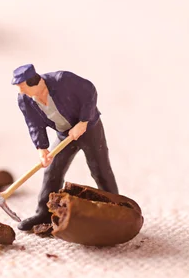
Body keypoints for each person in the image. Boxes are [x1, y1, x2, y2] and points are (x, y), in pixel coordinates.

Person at [12, 64, 119, 230]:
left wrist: (83, 121)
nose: (21, 92)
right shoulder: (25, 100)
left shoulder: (62, 80)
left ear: (34, 82)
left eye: (23, 87)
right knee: (52, 170)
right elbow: (33, 124)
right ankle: (44, 212)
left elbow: (89, 91)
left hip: (89, 130)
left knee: (100, 169)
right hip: (64, 135)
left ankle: (116, 210)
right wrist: (42, 148)